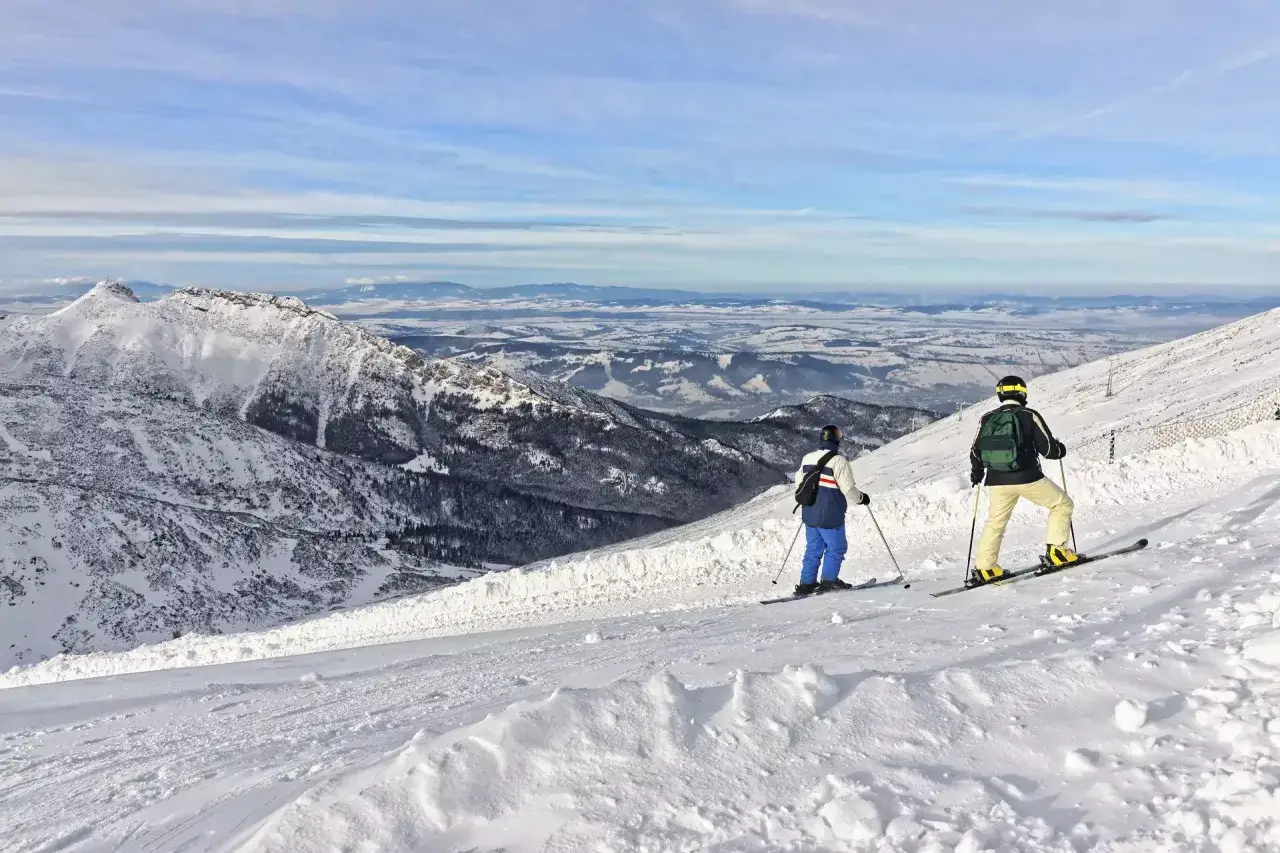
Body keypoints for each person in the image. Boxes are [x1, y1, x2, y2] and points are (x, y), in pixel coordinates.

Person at [969, 376, 1079, 586]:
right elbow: (1049, 450)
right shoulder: (1029, 415)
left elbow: (975, 451)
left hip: (996, 480)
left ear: (1000, 393)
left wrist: (977, 473)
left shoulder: (987, 418)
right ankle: (1058, 553)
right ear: (1022, 393)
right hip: (1028, 478)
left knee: (995, 524)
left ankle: (985, 569)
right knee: (1061, 504)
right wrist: (1060, 449)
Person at [793, 425, 869, 596]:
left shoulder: (807, 458)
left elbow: (799, 482)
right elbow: (848, 489)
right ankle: (828, 582)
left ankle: (807, 584)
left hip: (810, 513)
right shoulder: (839, 461)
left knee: (813, 549)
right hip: (830, 515)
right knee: (836, 548)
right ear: (836, 439)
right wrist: (862, 498)